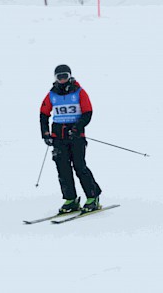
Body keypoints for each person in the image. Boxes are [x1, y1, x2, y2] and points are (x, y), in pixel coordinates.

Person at [40, 64, 102, 213]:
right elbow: (43, 114)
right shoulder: (51, 95)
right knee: (63, 169)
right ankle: (71, 199)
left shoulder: (79, 92)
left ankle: (93, 197)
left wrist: (76, 128)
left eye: (65, 76)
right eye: (59, 77)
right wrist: (45, 133)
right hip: (58, 138)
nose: (62, 79)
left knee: (79, 166)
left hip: (76, 137)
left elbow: (88, 112)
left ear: (69, 76)